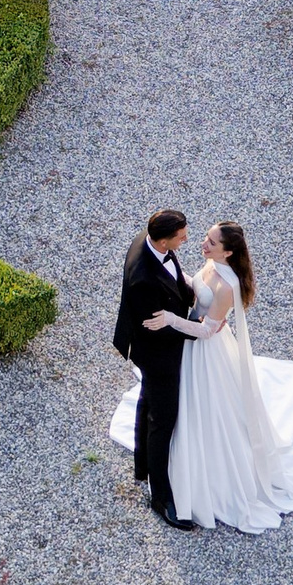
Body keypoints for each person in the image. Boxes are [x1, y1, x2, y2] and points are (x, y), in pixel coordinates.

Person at [109, 220, 293, 534]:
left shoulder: (228, 287)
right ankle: (151, 470)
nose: (202, 243)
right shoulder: (205, 262)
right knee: (163, 408)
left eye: (211, 242)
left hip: (204, 349)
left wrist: (171, 317)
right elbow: (189, 284)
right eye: (205, 238)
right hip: (181, 350)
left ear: (228, 251)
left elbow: (209, 330)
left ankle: (194, 476)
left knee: (201, 411)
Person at [111, 208, 199, 526]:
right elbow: (157, 326)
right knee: (163, 420)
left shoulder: (150, 241)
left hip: (153, 346)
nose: (186, 239)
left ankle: (142, 465)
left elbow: (174, 277)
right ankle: (160, 498)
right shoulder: (143, 279)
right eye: (181, 236)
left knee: (147, 401)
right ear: (163, 241)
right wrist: (198, 330)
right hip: (156, 352)